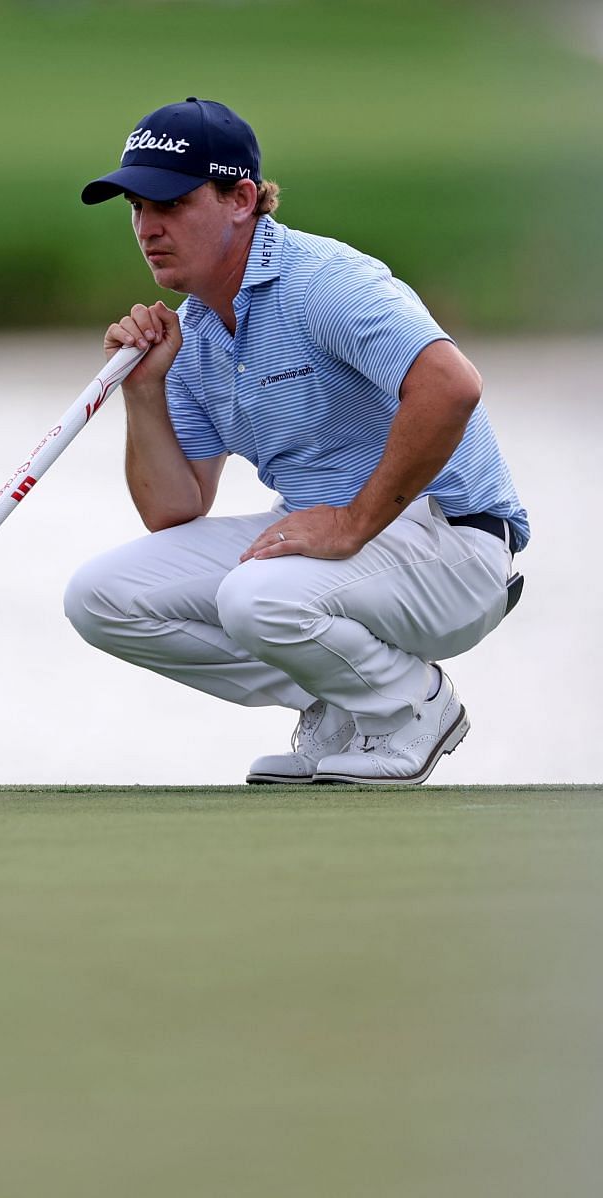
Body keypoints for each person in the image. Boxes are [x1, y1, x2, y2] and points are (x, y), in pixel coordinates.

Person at [62, 98, 528, 785]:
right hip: (335, 553)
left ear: (242, 198)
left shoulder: (324, 282)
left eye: (171, 203)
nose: (148, 226)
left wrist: (352, 522)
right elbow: (173, 511)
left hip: (453, 541)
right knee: (101, 596)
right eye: (135, 206)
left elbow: (450, 385)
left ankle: (409, 706)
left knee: (256, 596)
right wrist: (144, 390)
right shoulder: (191, 337)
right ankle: (342, 705)